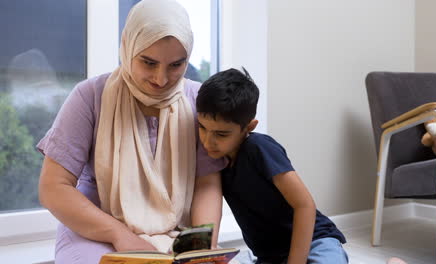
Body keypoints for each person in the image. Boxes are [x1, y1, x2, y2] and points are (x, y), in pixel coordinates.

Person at [37, 0, 223, 263]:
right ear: (127, 46)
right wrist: (118, 233)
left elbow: (207, 184)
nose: (161, 79)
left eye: (176, 65)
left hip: (179, 234)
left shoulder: (198, 99)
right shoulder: (90, 96)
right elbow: (53, 187)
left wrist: (201, 242)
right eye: (148, 62)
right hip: (96, 231)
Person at [192, 68, 349, 264]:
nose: (208, 142)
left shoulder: (259, 148)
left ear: (249, 127)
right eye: (203, 128)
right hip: (270, 257)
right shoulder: (214, 162)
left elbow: (305, 204)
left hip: (314, 243)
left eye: (221, 134)